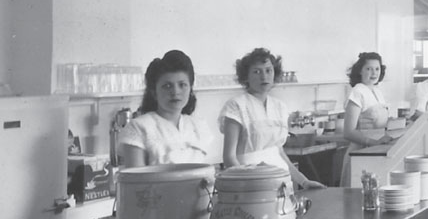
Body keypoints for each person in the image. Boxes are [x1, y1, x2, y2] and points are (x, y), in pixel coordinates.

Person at [218, 47, 324, 190]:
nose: (264, 77)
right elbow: (229, 158)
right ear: (246, 77)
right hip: (249, 184)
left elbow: (279, 152)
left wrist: (304, 182)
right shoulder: (236, 105)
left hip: (281, 181)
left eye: (268, 70)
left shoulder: (279, 107)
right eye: (257, 71)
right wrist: (250, 184)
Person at [118, 49, 214, 167]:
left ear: (190, 89)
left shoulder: (199, 126)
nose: (175, 92)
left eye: (182, 85)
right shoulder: (138, 128)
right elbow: (136, 181)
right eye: (167, 86)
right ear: (154, 92)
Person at [342, 51, 394, 186]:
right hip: (360, 153)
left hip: (375, 153)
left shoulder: (377, 91)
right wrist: (372, 142)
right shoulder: (358, 91)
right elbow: (348, 131)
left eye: (377, 69)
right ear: (360, 71)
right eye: (369, 69)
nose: (374, 73)